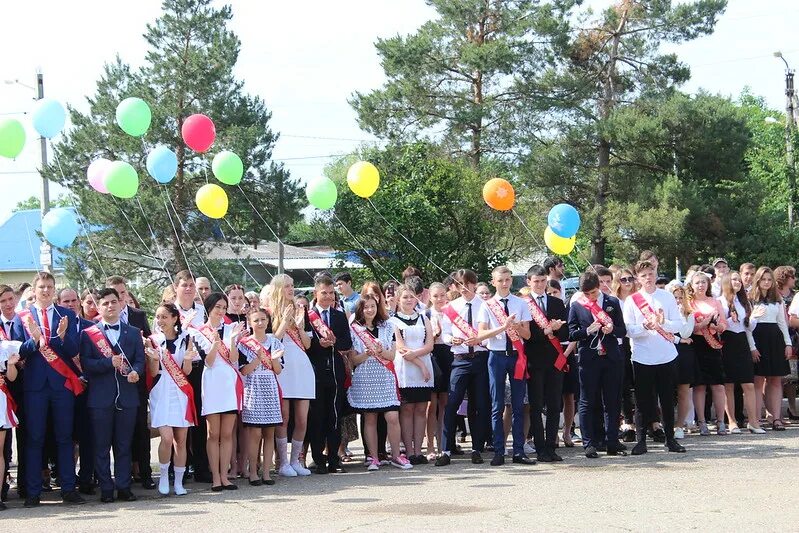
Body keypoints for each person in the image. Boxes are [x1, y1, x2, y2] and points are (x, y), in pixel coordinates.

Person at [18, 271, 84, 507]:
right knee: (35, 438)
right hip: (35, 386)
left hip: (61, 385)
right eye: (42, 287)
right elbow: (18, 353)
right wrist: (34, 340)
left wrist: (64, 336)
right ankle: (34, 492)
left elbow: (75, 349)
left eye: (49, 286)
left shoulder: (66, 314)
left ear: (54, 289)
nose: (46, 290)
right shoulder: (22, 317)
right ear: (34, 291)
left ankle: (68, 488)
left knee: (65, 437)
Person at [80, 287, 145, 503]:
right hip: (100, 398)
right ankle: (106, 489)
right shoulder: (90, 334)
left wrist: (136, 371)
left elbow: (139, 360)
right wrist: (108, 363)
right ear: (98, 307)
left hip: (127, 397)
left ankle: (124, 486)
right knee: (101, 445)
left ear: (120, 303)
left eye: (113, 302)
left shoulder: (133, 332)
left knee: (124, 445)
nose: (110, 306)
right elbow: (87, 364)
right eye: (105, 303)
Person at [622, 261, 686, 455]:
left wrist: (663, 322)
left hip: (666, 356)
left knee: (667, 400)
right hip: (643, 357)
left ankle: (670, 439)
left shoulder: (666, 297)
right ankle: (641, 441)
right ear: (638, 279)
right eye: (644, 276)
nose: (648, 278)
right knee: (642, 401)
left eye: (651, 274)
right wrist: (644, 327)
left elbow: (678, 325)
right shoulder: (632, 300)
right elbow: (628, 330)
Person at [347, 295, 411, 470]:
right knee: (370, 418)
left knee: (392, 416)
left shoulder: (388, 326)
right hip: (366, 377)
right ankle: (373, 457)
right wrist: (367, 353)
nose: (370, 310)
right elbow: (353, 360)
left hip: (385, 376)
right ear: (360, 309)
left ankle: (396, 455)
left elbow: (392, 355)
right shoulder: (354, 329)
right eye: (366, 307)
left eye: (373, 306)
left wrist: (381, 351)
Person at [478, 265, 534, 466]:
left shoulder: (520, 303)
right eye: (500, 280)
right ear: (493, 282)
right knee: (497, 405)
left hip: (517, 355)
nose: (504, 283)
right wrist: (503, 327)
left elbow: (528, 334)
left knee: (519, 404)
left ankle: (518, 451)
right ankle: (498, 451)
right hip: (496, 355)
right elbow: (481, 335)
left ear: (511, 281)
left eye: (507, 279)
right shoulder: (487, 305)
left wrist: (517, 327)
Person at [189, 292, 245, 491]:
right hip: (212, 382)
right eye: (217, 307)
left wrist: (232, 339)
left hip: (229, 381)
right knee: (213, 434)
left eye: (223, 307)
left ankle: (225, 475)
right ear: (209, 309)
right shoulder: (199, 331)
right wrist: (214, 341)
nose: (221, 311)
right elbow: (209, 361)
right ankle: (215, 477)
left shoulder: (231, 328)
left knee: (228, 433)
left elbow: (234, 358)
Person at [568, 271, 627, 458]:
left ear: (599, 288)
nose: (590, 297)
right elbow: (571, 333)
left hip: (611, 357)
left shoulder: (612, 302)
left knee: (612, 401)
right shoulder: (577, 305)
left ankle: (612, 441)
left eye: (593, 293)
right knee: (587, 401)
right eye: (586, 294)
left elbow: (622, 330)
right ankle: (589, 443)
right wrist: (586, 331)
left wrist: (612, 329)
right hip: (589, 359)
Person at [436, 269, 491, 467]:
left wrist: (481, 339)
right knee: (452, 404)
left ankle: (477, 448)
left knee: (479, 405)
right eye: (460, 284)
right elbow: (445, 335)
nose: (465, 288)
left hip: (480, 358)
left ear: (474, 284)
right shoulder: (452, 307)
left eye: (468, 284)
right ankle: (446, 449)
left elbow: (491, 333)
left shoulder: (486, 306)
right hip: (459, 358)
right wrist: (453, 339)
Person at [106, 276, 154, 490]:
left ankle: (145, 473)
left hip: (135, 381)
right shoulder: (99, 323)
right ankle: (114, 478)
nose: (119, 297)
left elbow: (151, 343)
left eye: (122, 293)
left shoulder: (138, 316)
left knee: (140, 431)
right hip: (110, 382)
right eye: (114, 294)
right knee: (112, 434)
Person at [146, 303, 198, 496]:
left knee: (181, 440)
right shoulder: (152, 341)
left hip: (180, 390)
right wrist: (153, 359)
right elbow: (153, 372)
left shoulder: (186, 338)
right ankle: (164, 476)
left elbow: (186, 372)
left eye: (164, 317)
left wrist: (187, 359)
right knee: (166, 438)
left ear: (175, 318)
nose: (160, 321)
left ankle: (178, 482)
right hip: (161, 390)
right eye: (158, 317)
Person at [306, 276, 353, 474]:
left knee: (334, 417)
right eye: (324, 293)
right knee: (317, 417)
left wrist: (333, 343)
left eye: (331, 293)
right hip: (315, 371)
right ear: (316, 294)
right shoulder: (307, 316)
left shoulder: (339, 316)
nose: (328, 296)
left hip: (335, 370)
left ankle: (334, 458)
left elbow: (346, 343)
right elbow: (305, 344)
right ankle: (318, 459)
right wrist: (319, 344)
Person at [268, 274, 314, 478]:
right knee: (284, 418)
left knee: (302, 418)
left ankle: (296, 460)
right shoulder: (269, 313)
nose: (290, 289)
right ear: (278, 288)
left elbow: (307, 344)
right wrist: (285, 321)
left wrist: (300, 327)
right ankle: (283, 462)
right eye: (286, 286)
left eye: (292, 285)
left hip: (302, 365)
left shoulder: (300, 310)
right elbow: (273, 341)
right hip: (283, 366)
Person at [524, 265, 569, 462]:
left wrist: (557, 329)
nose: (540, 285)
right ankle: (540, 446)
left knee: (553, 404)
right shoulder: (523, 304)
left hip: (553, 360)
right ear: (529, 282)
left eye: (543, 281)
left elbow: (567, 333)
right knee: (536, 405)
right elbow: (524, 335)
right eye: (536, 281)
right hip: (534, 359)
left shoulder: (556, 303)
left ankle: (551, 445)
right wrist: (545, 331)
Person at [237, 307, 284, 486]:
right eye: (256, 320)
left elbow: (278, 370)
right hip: (253, 388)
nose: (260, 323)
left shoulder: (275, 342)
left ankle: (266, 472)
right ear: (250, 322)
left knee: (269, 432)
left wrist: (271, 359)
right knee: (254, 433)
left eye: (263, 319)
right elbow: (245, 370)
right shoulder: (244, 343)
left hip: (270, 388)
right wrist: (257, 358)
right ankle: (252, 471)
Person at [57, 287, 96, 495]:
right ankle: (67, 479)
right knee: (66, 437)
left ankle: (87, 478)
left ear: (79, 303)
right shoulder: (54, 327)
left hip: (87, 388)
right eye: (66, 301)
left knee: (87, 437)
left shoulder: (92, 327)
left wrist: (85, 377)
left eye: (73, 300)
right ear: (59, 304)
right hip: (63, 389)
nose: (70, 304)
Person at [390, 283, 434, 465]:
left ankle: (418, 451)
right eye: (405, 297)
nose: (409, 300)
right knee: (407, 410)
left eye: (411, 297)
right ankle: (408, 451)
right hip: (405, 369)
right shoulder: (393, 321)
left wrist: (420, 361)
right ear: (398, 300)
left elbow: (430, 344)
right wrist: (419, 363)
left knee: (421, 410)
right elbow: (400, 347)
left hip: (423, 362)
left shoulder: (424, 318)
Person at [172, 270, 210, 483]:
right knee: (180, 419)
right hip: (176, 369)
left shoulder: (202, 310)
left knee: (200, 418)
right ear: (176, 287)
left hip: (199, 368)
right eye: (184, 285)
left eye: (191, 285)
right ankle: (180, 467)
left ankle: (201, 466)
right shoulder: (170, 310)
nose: (188, 289)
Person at [719, 273, 765, 434]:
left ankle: (753, 422)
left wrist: (754, 317)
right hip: (727, 342)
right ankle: (731, 422)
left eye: (739, 280)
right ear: (726, 282)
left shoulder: (743, 301)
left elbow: (748, 328)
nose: (738, 282)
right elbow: (721, 326)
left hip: (742, 343)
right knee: (729, 385)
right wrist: (732, 319)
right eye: (734, 279)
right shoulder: (720, 301)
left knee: (749, 384)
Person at [749, 267, 793, 431]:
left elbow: (783, 323)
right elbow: (747, 325)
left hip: (775, 340)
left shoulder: (778, 299)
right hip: (757, 338)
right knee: (758, 380)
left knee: (775, 380)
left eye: (769, 279)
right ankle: (757, 418)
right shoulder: (750, 298)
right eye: (763, 279)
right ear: (758, 281)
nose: (766, 282)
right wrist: (752, 346)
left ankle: (776, 418)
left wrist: (788, 344)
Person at [686, 272, 728, 436]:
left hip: (713, 344)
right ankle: (702, 421)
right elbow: (688, 328)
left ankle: (721, 421)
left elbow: (724, 324)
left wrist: (718, 327)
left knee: (718, 385)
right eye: (697, 283)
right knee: (699, 385)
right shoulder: (688, 303)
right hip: (696, 344)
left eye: (703, 282)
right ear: (692, 285)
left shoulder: (715, 302)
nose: (701, 285)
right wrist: (703, 323)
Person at [546, 280, 578, 447]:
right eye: (549, 293)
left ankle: (567, 432)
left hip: (567, 354)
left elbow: (573, 334)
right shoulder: (542, 310)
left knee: (569, 395)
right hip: (550, 356)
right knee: (552, 396)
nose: (552, 295)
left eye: (555, 292)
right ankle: (553, 434)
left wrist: (565, 354)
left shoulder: (568, 309)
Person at [668, 283, 698, 438]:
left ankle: (679, 426)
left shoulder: (688, 313)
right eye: (675, 298)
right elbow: (667, 331)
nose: (678, 301)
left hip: (684, 353)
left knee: (684, 390)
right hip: (668, 350)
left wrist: (681, 316)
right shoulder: (664, 312)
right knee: (665, 390)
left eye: (681, 297)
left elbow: (686, 333)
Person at [426, 282, 451, 460]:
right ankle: (430, 446)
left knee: (445, 402)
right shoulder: (425, 315)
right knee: (431, 404)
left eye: (442, 295)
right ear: (430, 297)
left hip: (449, 356)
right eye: (435, 296)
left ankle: (444, 443)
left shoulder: (453, 312)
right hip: (431, 356)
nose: (439, 299)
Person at [612, 268, 637, 442]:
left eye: (630, 279)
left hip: (640, 345)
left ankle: (651, 423)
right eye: (623, 279)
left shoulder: (639, 299)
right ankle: (628, 424)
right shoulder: (614, 301)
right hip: (622, 346)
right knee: (624, 387)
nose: (627, 282)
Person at [0, 332, 20, 511]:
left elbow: (11, 377)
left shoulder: (4, 346)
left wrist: (12, 364)